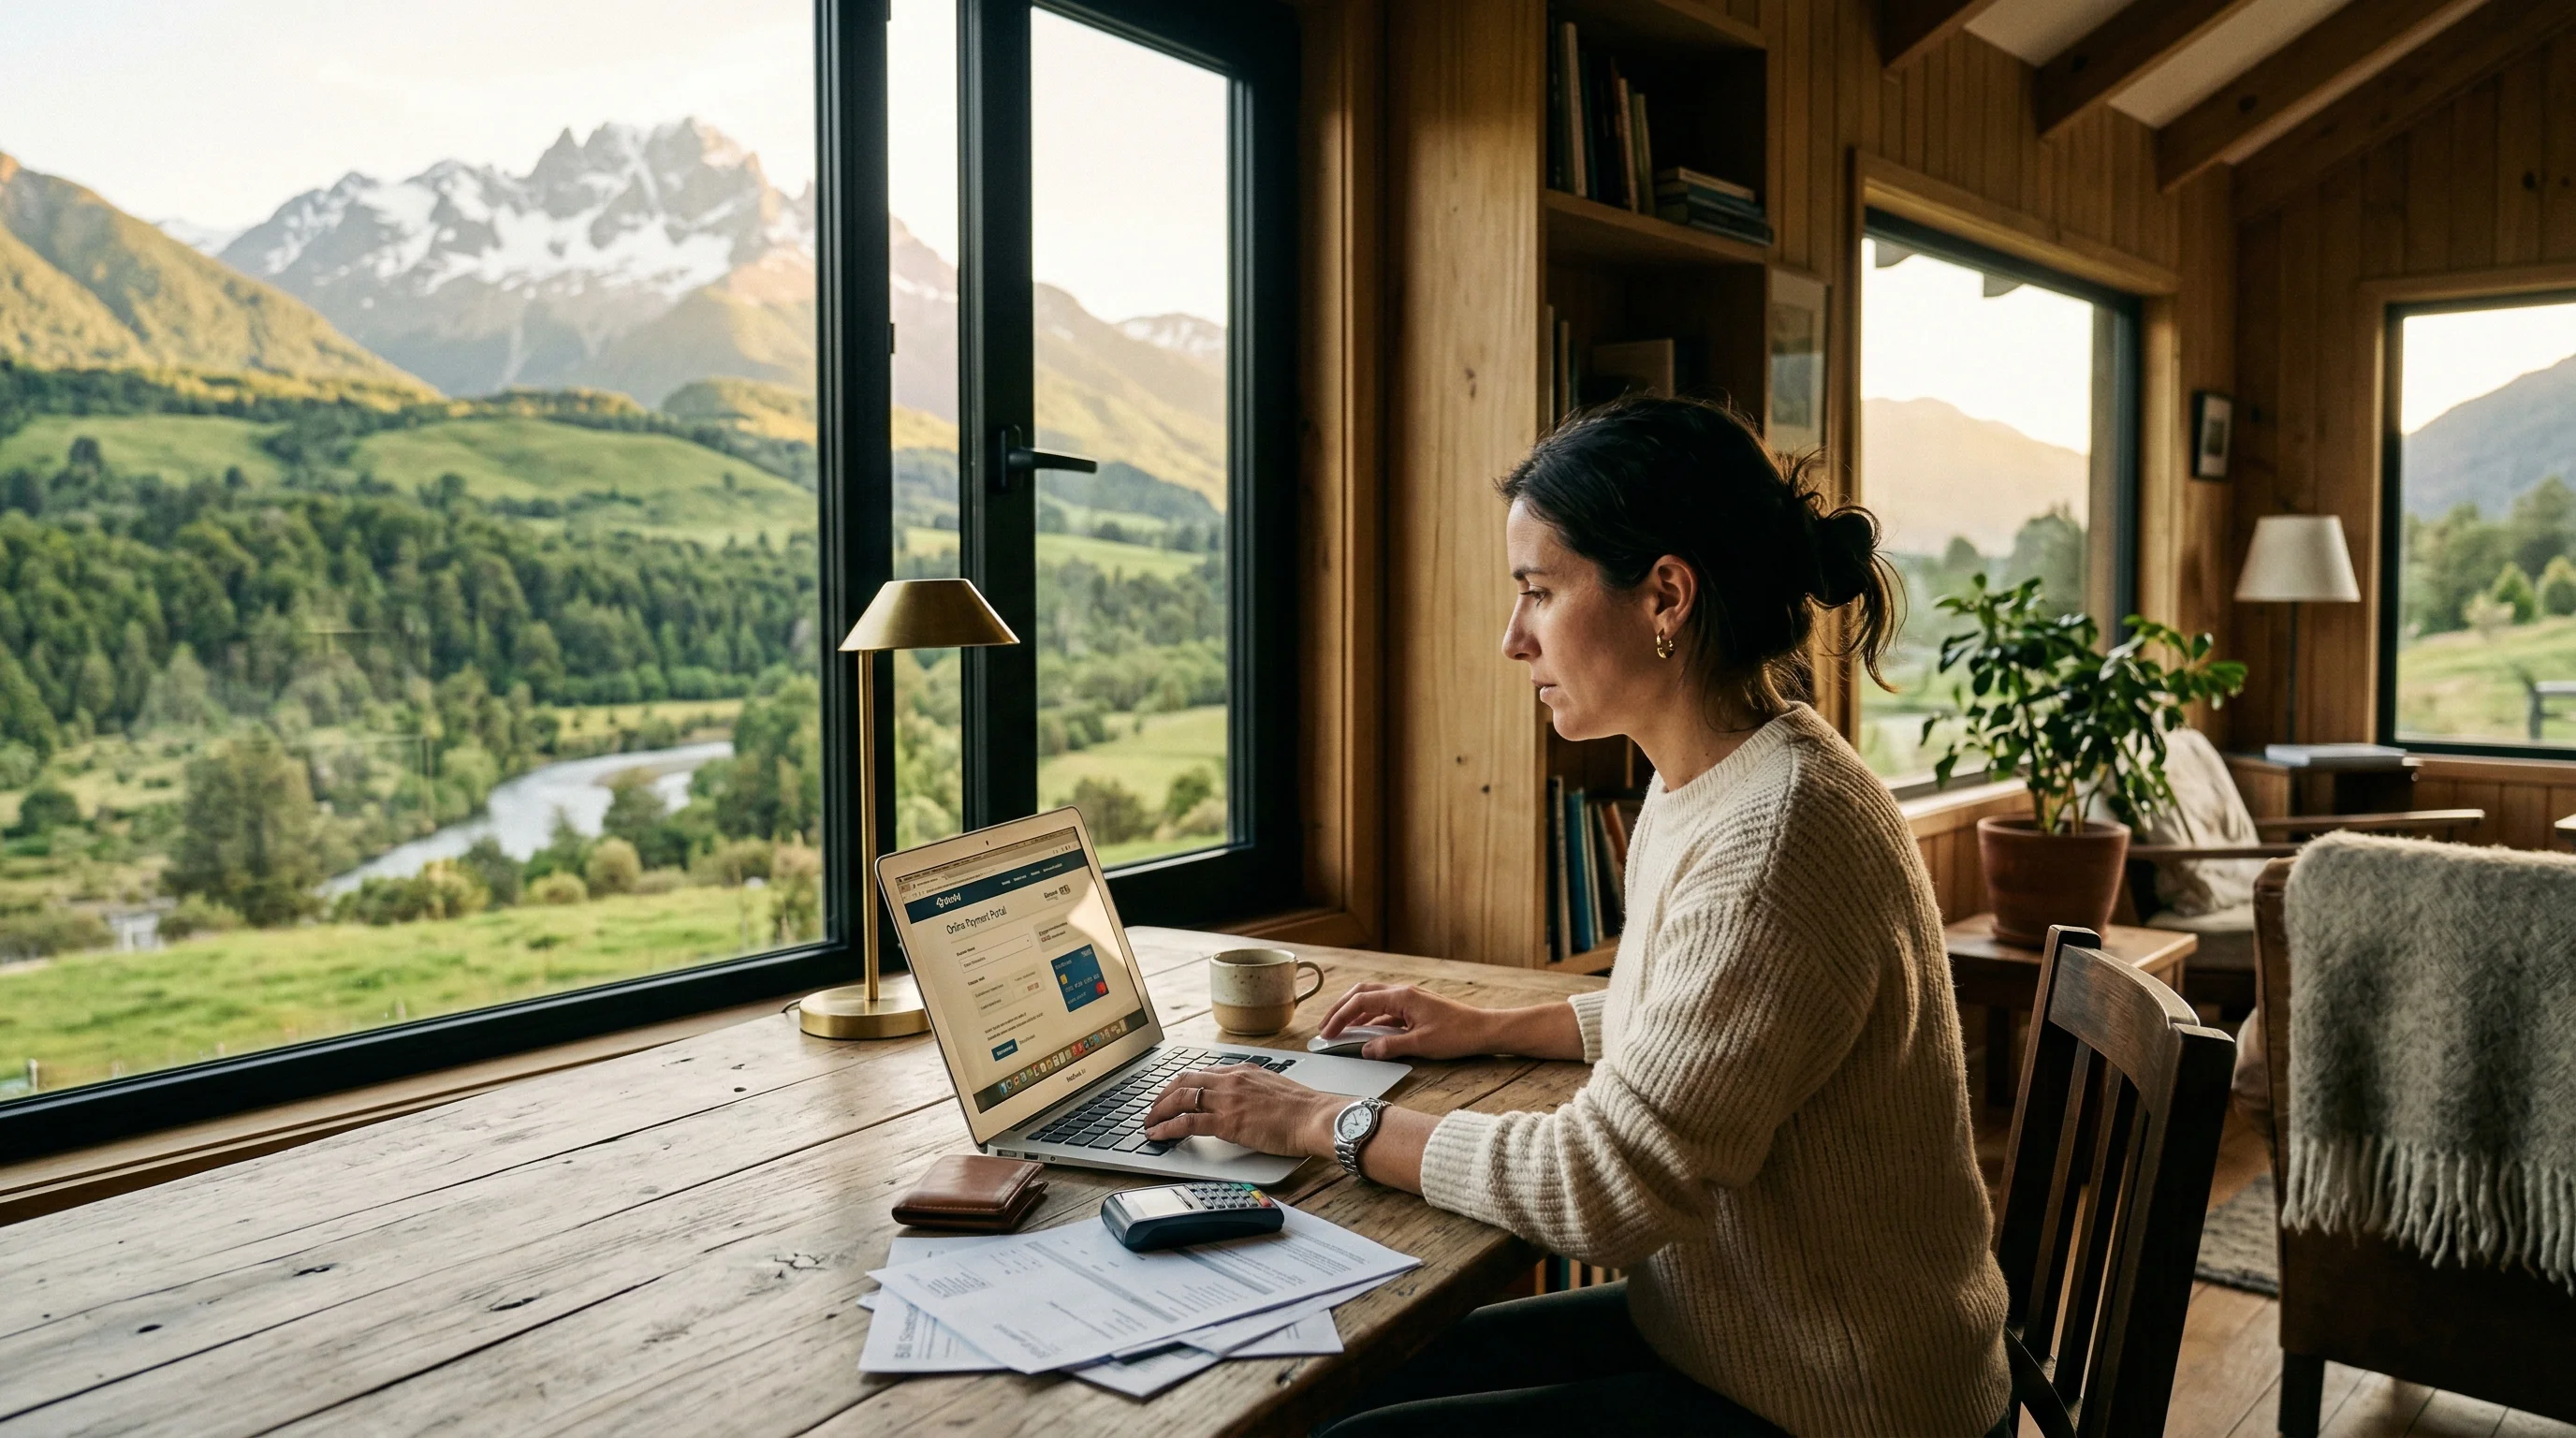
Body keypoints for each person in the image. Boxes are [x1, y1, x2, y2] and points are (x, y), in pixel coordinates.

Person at [1140, 397, 2011, 1436]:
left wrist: (1318, 1120)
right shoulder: (1729, 775)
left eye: (1538, 593)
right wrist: (1492, 1025)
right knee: (1349, 1377)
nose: (1513, 639)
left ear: (1666, 596)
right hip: (1750, 1337)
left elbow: (1604, 1190)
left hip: (1840, 1400)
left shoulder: (1776, 839)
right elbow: (1710, 1022)